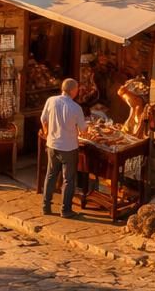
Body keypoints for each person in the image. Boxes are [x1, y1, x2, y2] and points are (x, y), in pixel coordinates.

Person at [41, 77, 88, 218]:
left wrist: (47, 133)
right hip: (68, 147)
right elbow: (83, 130)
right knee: (68, 179)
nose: (78, 91)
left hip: (52, 145)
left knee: (50, 176)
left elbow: (43, 119)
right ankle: (65, 210)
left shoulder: (51, 100)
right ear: (73, 90)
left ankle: (46, 207)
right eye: (77, 89)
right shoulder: (76, 108)